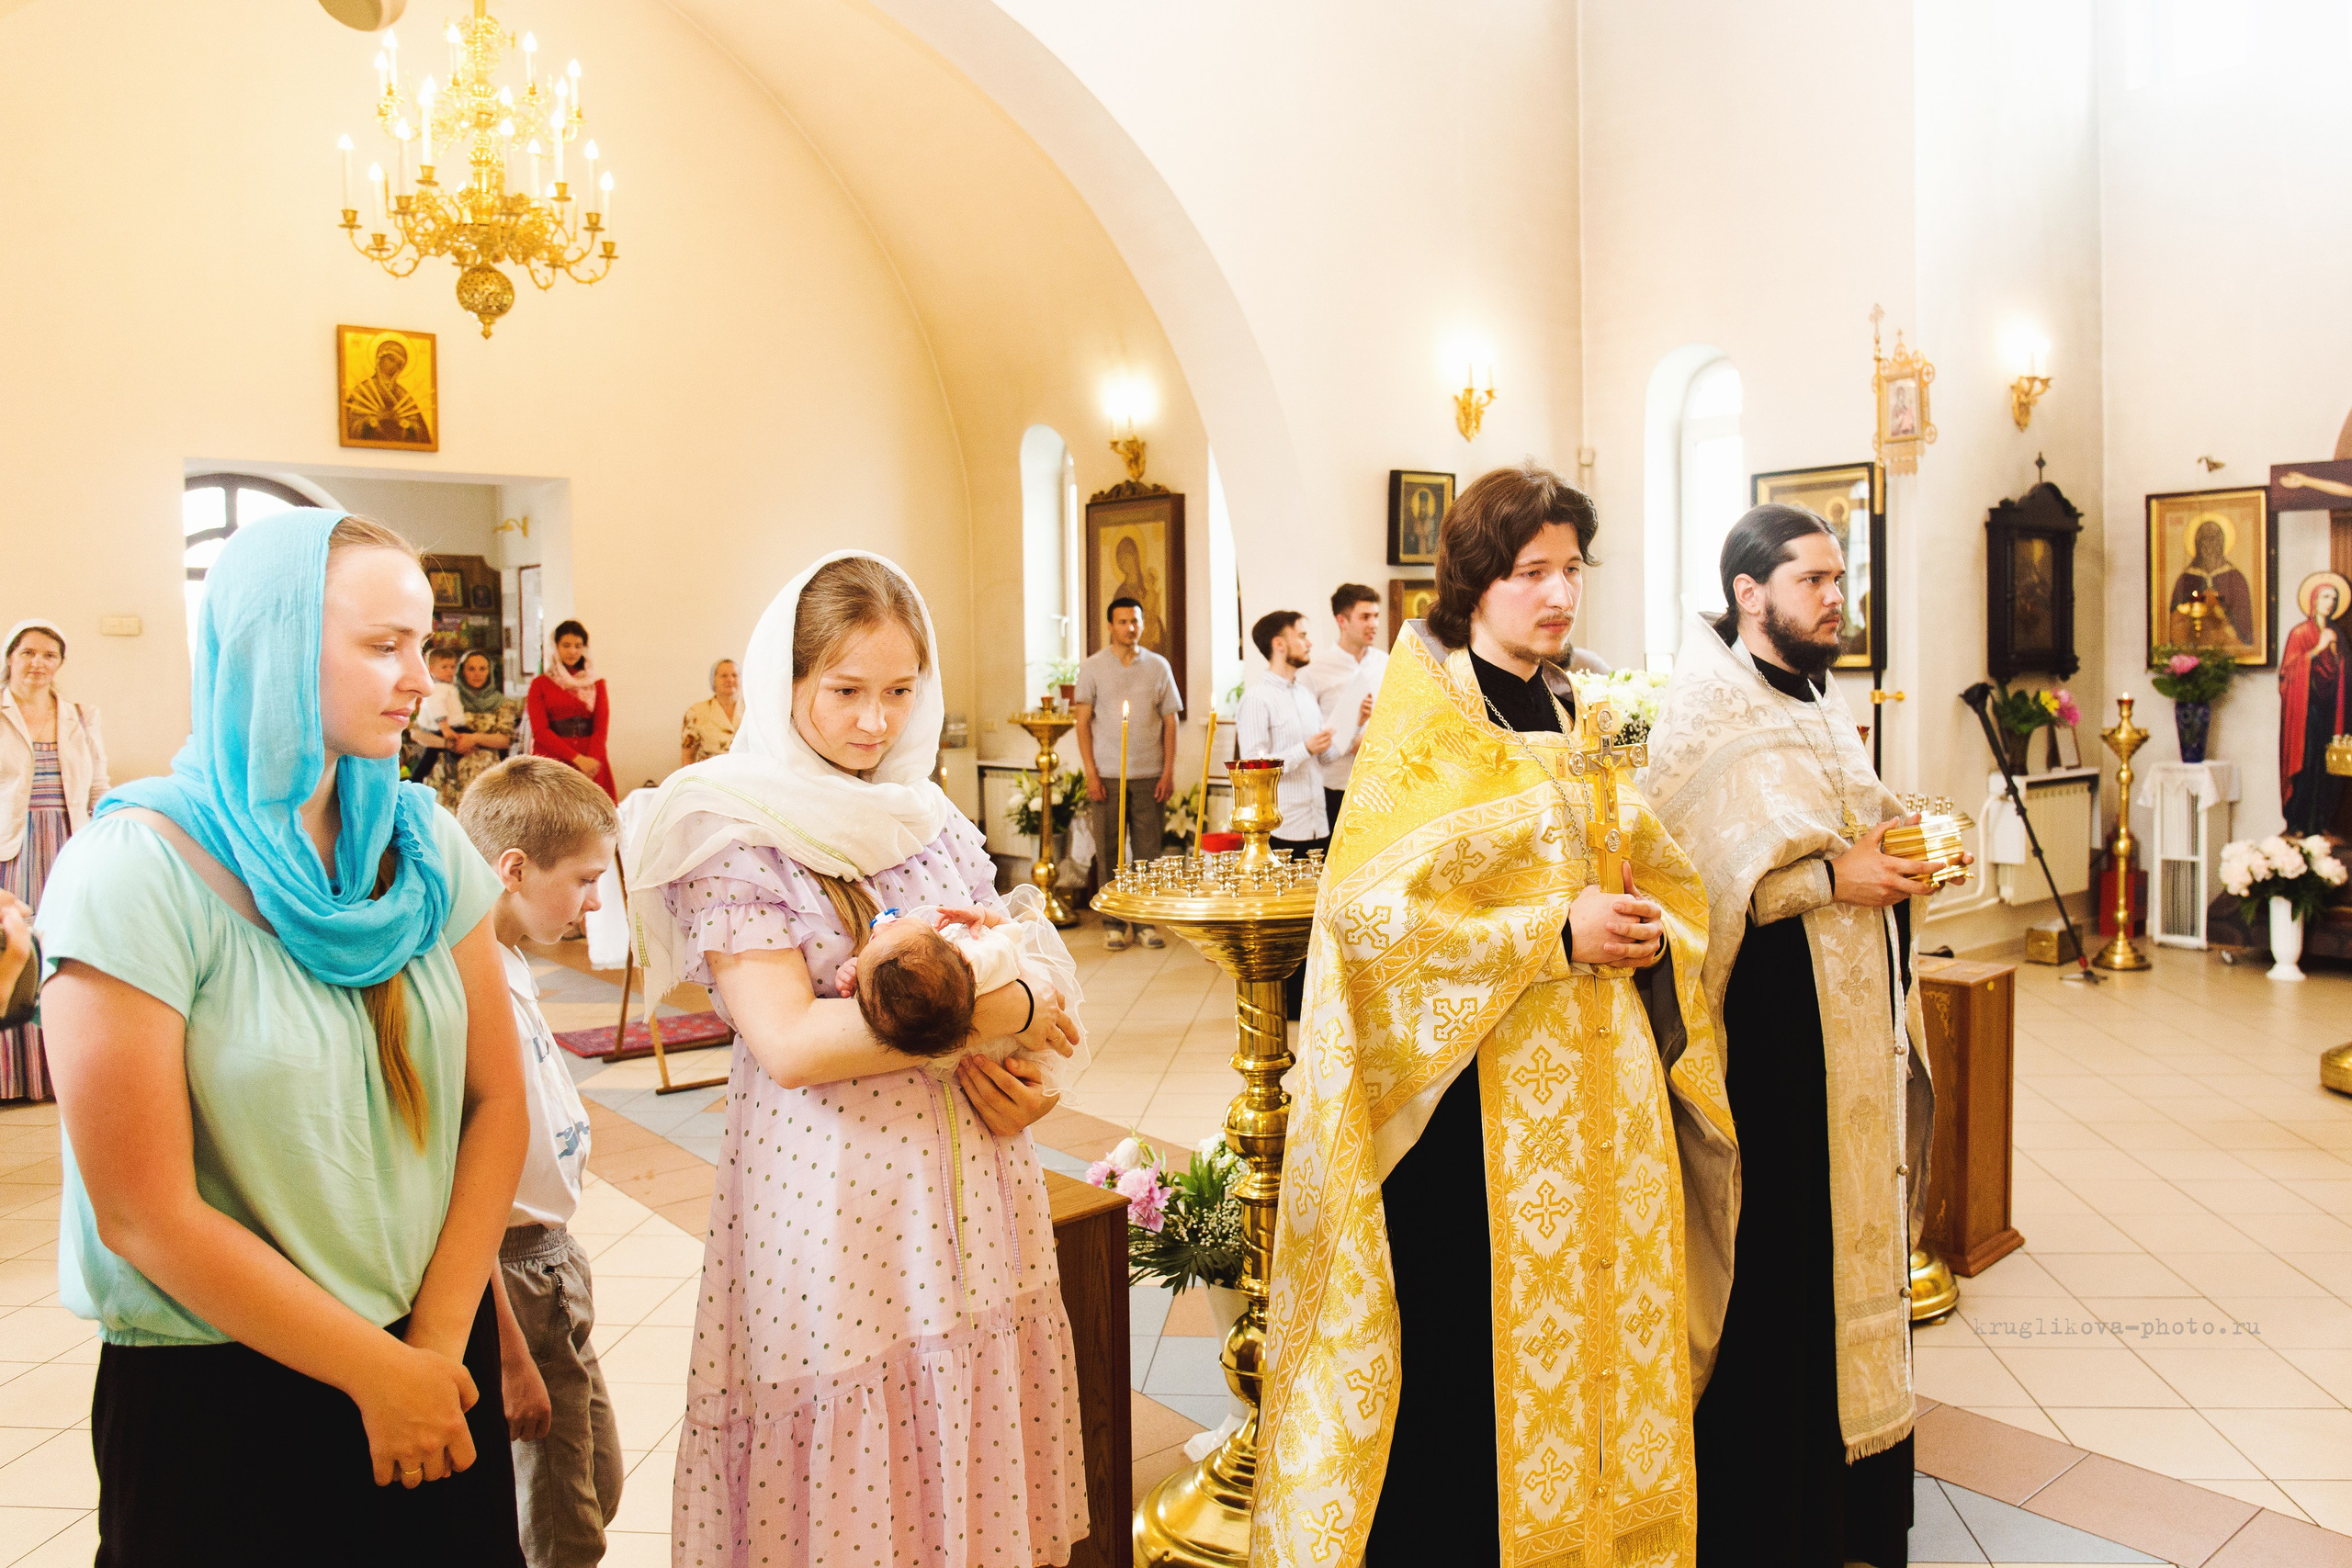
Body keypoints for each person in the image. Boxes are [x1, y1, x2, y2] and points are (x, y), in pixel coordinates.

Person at [1253, 463, 1732, 1568]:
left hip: (1604, 1093)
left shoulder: (1584, 708)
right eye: (1532, 573)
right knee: (1477, 1369)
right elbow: (1371, 919)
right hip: (1475, 1111)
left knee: (1603, 1340)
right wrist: (1549, 936)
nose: (1560, 594)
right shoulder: (1430, 719)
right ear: (1474, 581)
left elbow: (1654, 865)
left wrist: (1653, 920)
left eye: (1571, 570)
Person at [35, 511, 529, 1562]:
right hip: (228, 1386)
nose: (422, 682)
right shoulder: (135, 869)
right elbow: (143, 1213)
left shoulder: (423, 843)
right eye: (381, 646)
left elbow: (495, 1104)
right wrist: (373, 1372)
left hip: (433, 1361)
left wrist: (435, 1348)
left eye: (425, 645)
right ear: (271, 647)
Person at [625, 550, 1090, 1566]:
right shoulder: (730, 827)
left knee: (962, 1460)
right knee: (851, 1486)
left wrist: (1026, 1054)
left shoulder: (921, 813)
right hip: (836, 1205)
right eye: (844, 692)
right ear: (780, 682)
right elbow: (791, 1040)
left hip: (972, 1187)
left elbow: (1046, 974)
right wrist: (998, 1003)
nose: (874, 722)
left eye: (897, 692)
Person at [1644, 503, 1951, 1568]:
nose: (1835, 598)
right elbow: (1688, 887)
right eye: (1813, 580)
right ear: (1747, 592)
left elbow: (1842, 836)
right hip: (1768, 1061)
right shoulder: (1698, 715)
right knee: (1778, 1278)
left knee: (1851, 1263)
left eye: (1837, 579)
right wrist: (1833, 875)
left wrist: (1896, 855)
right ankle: (1769, 1525)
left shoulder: (1819, 705)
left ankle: (1853, 1514)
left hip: (1852, 1042)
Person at [457, 755, 626, 1568]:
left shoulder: (513, 955)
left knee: (596, 1474)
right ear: (513, 869)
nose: (596, 900)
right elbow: (455, 1192)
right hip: (509, 1271)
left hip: (553, 1259)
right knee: (560, 1520)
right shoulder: (460, 976)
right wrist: (509, 1350)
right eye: (586, 878)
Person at [1, 620, 107, 1100]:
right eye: (27, 653)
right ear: (10, 658)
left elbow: (98, 787)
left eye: (48, 655)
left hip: (69, 843)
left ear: (60, 663)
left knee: (63, 952)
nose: (37, 663)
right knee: (10, 953)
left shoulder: (81, 715)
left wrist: (106, 834)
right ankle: (9, 1078)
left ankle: (56, 1076)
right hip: (12, 847)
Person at [838, 890, 1089, 1092]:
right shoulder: (979, 959)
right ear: (957, 952)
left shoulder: (905, 1007)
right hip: (1008, 1051)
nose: (878, 926)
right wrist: (982, 915)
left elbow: (884, 995)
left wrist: (855, 974)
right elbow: (1009, 931)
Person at [1073, 595, 1182, 952]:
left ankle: (1147, 921)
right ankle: (1114, 922)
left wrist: (1168, 771)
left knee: (1149, 852)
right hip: (1106, 774)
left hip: (1149, 773)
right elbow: (1082, 722)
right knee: (1110, 851)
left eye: (1135, 621)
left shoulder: (1158, 666)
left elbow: (1170, 720)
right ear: (1110, 626)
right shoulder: (1092, 667)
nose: (1130, 628)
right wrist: (1090, 771)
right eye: (1122, 622)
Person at [1238, 610, 1331, 1018]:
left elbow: (1321, 758)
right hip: (1284, 824)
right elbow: (1256, 766)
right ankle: (1285, 1004)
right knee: (1285, 925)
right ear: (1280, 643)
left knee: (1315, 918)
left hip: (1316, 818)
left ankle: (1313, 999)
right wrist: (1304, 749)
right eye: (1303, 635)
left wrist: (1353, 731)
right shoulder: (1258, 698)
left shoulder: (1304, 694)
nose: (1309, 643)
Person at [1299, 583, 1385, 828]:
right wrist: (1352, 739)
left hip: (1377, 786)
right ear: (1342, 621)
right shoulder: (1315, 671)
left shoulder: (1386, 663)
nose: (1374, 624)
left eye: (1376, 616)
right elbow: (1309, 730)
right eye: (1365, 617)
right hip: (1335, 785)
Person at [2281, 571, 2349, 836]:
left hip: (2331, 711)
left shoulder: (2337, 635)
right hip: (2304, 712)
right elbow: (2287, 675)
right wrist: (2318, 649)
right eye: (2325, 596)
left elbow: (2344, 673)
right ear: (2313, 600)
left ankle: (2321, 821)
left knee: (2328, 764)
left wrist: (2336, 654)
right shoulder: (2299, 634)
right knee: (2306, 763)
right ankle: (2298, 822)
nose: (2330, 602)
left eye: (2334, 598)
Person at [528, 620, 614, 802]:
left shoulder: (596, 683)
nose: (572, 651)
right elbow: (540, 730)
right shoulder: (541, 684)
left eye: (578, 646)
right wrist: (576, 759)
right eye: (566, 645)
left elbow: (601, 728)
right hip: (553, 758)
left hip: (592, 761)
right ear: (556, 647)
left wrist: (592, 761)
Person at [435, 650, 523, 811]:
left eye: (482, 669)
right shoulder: (446, 698)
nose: (477, 674)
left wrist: (474, 738)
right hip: (448, 777)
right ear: (462, 671)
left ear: (490, 671)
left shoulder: (502, 703)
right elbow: (418, 733)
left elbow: (506, 740)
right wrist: (448, 743)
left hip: (485, 777)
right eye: (471, 669)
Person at [2165, 518, 2256, 653]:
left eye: (2214, 540)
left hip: (2226, 641)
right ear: (2197, 544)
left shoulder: (2235, 577)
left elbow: (2242, 621)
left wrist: (2219, 604)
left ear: (2221, 543)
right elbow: (2176, 616)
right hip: (2193, 641)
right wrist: (2197, 601)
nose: (2209, 546)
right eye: (2204, 540)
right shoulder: (2187, 578)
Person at [345, 333, 433, 446]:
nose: (393, 366)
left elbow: (421, 432)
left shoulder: (402, 394)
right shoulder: (363, 390)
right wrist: (371, 421)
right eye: (391, 359)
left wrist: (404, 423)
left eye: (398, 365)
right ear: (380, 358)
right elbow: (349, 424)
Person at [407, 644, 463, 786]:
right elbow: (437, 707)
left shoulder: (446, 686)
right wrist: (444, 727)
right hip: (442, 729)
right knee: (429, 758)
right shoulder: (438, 688)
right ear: (431, 669)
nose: (450, 671)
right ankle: (415, 781)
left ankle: (416, 779)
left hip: (447, 728)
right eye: (444, 667)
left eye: (452, 667)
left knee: (431, 756)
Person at [679, 657, 742, 767]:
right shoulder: (696, 712)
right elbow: (688, 757)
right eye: (724, 676)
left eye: (734, 675)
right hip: (711, 775)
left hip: (745, 774)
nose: (730, 680)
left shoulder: (752, 710)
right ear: (713, 680)